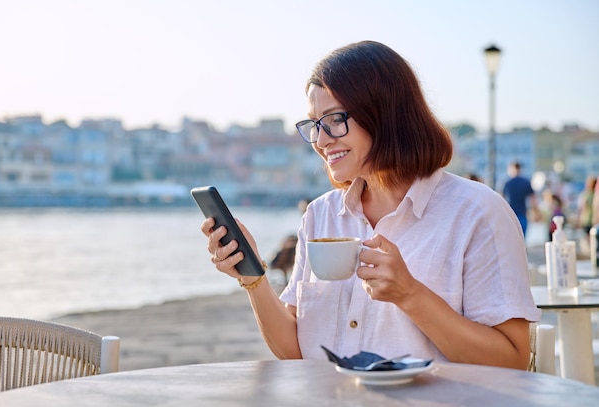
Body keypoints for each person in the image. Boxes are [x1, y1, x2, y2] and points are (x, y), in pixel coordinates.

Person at [200, 41, 540, 370]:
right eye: (315, 124)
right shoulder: (320, 216)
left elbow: (511, 359)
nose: (320, 140)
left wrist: (410, 295)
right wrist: (253, 277)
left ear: (385, 114)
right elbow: (296, 351)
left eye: (334, 119)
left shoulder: (478, 213)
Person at [502, 161, 539, 237]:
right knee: (522, 237)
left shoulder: (507, 183)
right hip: (522, 213)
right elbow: (533, 199)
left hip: (510, 214)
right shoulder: (525, 182)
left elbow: (502, 199)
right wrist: (536, 211)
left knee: (511, 237)